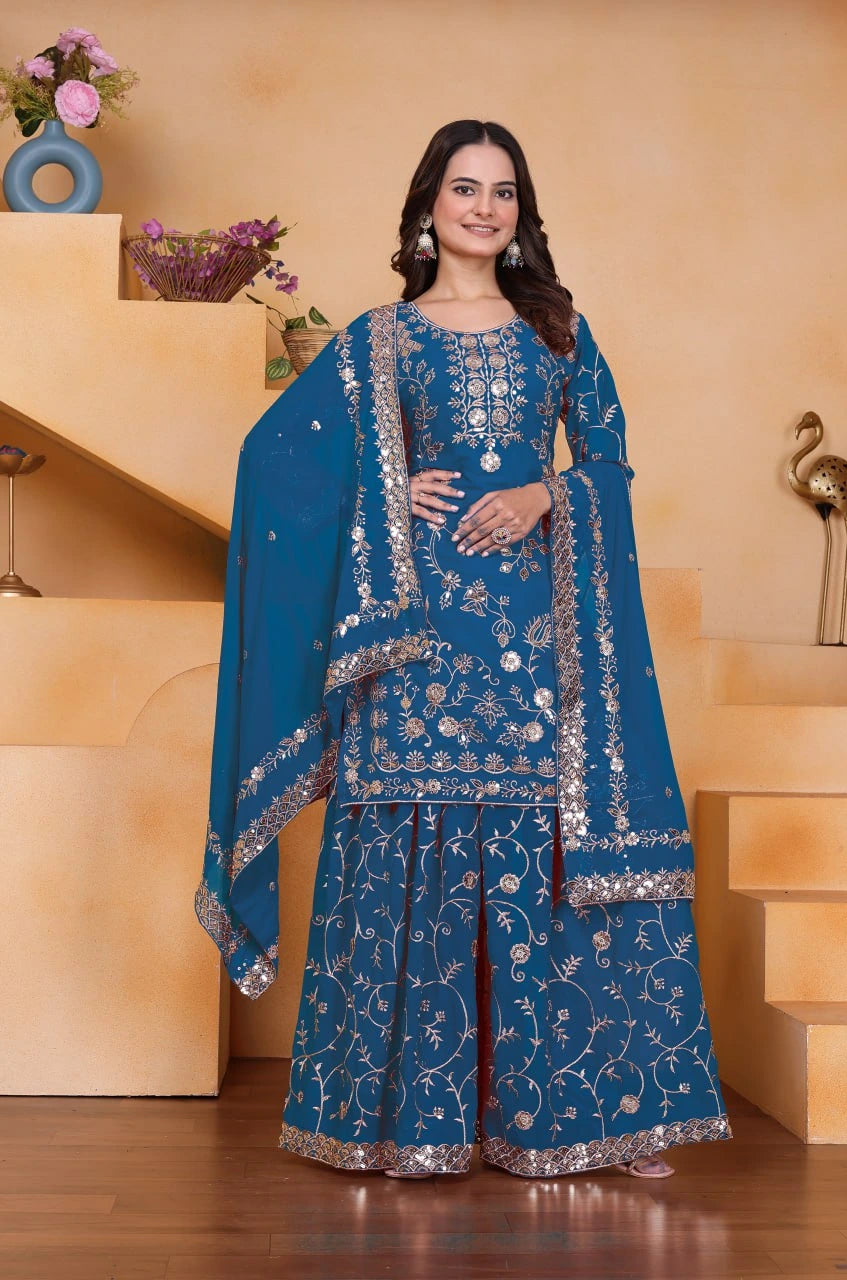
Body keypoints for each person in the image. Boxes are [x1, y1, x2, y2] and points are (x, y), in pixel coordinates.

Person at [195, 119, 732, 1181]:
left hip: (543, 638)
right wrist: (386, 488)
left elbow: (611, 467)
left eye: (502, 191)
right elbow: (275, 465)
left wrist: (547, 490)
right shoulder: (379, 339)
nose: (483, 207)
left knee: (551, 849)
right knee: (412, 835)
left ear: (522, 213)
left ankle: (592, 1109)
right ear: (425, 206)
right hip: (417, 639)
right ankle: (405, 1115)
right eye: (462, 187)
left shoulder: (558, 331)